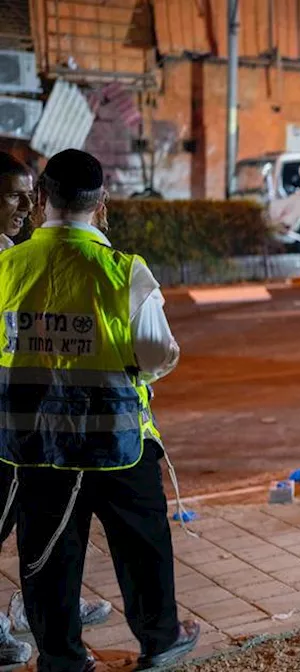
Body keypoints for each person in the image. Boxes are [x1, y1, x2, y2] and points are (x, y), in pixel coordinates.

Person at [0, 149, 199, 672]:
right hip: (117, 445)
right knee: (142, 544)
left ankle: (61, 659)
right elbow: (159, 354)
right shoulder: (124, 272)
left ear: (41, 199)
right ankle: (160, 640)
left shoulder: (6, 267)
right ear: (102, 205)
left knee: (46, 556)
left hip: (34, 446)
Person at [0, 152, 118, 667]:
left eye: (31, 194)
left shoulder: (11, 251)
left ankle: (39, 608)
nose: (27, 205)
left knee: (32, 521)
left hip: (18, 422)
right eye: (13, 194)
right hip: (8, 422)